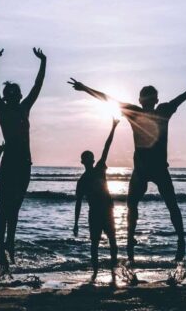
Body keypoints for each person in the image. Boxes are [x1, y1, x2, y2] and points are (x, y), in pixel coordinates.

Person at [68, 67, 186, 264]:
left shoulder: (159, 111)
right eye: (147, 99)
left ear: (153, 101)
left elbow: (185, 95)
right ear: (143, 100)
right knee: (134, 203)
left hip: (158, 169)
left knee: (168, 204)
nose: (149, 102)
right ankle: (134, 242)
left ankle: (178, 240)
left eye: (150, 99)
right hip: (142, 170)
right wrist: (85, 88)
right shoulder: (140, 112)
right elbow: (108, 98)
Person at [0, 47, 46, 273]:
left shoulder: (25, 108)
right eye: (10, 93)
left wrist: (43, 62)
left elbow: (37, 86)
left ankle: (9, 244)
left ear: (19, 96)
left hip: (25, 164)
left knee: (15, 208)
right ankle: (1, 248)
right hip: (11, 162)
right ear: (6, 97)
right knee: (4, 207)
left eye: (16, 93)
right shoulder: (2, 110)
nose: (13, 96)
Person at [74, 118, 119, 283]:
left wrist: (113, 127)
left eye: (89, 158)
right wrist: (76, 223)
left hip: (106, 211)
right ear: (84, 162)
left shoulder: (100, 168)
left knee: (111, 242)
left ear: (91, 161)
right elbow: (78, 202)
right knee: (95, 244)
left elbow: (107, 146)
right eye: (86, 159)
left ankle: (113, 270)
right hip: (96, 213)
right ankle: (95, 272)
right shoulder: (83, 180)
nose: (88, 161)